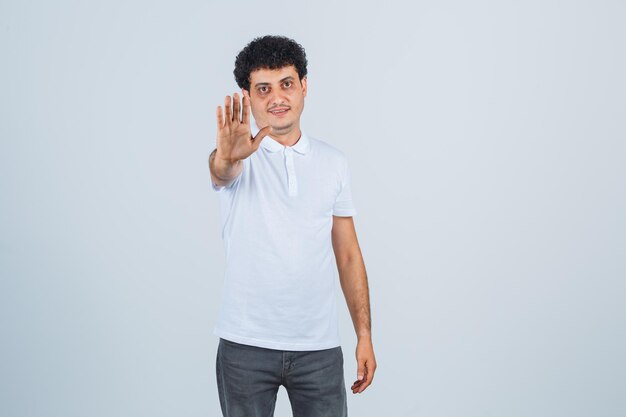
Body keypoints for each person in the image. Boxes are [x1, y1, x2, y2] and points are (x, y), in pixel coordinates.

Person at [208, 35, 376, 417]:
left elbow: (348, 254)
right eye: (263, 89)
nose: (277, 98)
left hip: (318, 348)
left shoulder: (334, 163)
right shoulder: (239, 157)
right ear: (247, 97)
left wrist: (364, 335)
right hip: (245, 345)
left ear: (303, 86)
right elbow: (221, 170)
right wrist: (226, 157)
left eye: (286, 84)